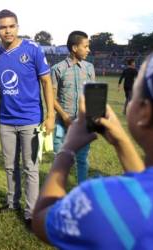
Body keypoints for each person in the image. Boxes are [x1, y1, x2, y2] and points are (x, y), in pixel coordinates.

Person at [32, 38, 153, 249]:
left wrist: (67, 150)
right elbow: (148, 189)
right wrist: (121, 142)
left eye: (136, 91)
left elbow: (42, 219)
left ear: (145, 112)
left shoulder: (105, 202)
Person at [0, 9, 55, 227]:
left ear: (17, 27)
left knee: (30, 168)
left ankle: (31, 213)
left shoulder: (33, 49)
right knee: (10, 166)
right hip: (6, 120)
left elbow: (47, 82)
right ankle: (12, 203)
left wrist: (50, 115)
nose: (8, 30)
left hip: (31, 119)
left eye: (12, 26)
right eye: (3, 27)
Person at [51, 31, 95, 183]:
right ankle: (57, 190)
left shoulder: (89, 68)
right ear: (75, 48)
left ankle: (82, 189)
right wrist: (64, 117)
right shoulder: (58, 69)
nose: (89, 50)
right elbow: (51, 97)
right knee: (60, 160)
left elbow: (93, 95)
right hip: (62, 124)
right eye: (86, 46)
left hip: (83, 123)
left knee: (82, 160)